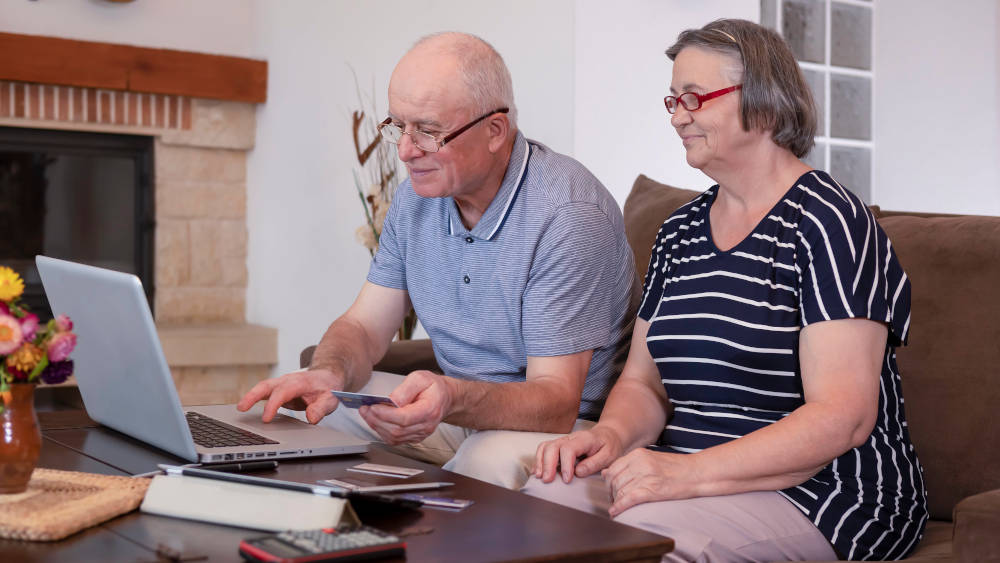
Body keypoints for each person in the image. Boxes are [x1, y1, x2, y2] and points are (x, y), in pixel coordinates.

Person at [524, 19, 928, 562]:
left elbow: (843, 417)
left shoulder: (828, 222)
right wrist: (612, 437)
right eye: (673, 100)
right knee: (542, 503)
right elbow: (644, 383)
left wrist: (685, 474)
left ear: (764, 104)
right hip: (691, 475)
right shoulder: (680, 231)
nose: (677, 116)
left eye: (693, 97)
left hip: (826, 494)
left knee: (642, 539)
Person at [237, 32, 636, 490]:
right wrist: (328, 372)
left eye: (428, 131)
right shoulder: (417, 198)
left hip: (567, 430)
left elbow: (556, 402)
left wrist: (450, 397)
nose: (406, 151)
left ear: (495, 131)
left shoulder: (567, 215)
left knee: (486, 459)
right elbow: (364, 327)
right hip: (461, 413)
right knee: (311, 411)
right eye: (398, 126)